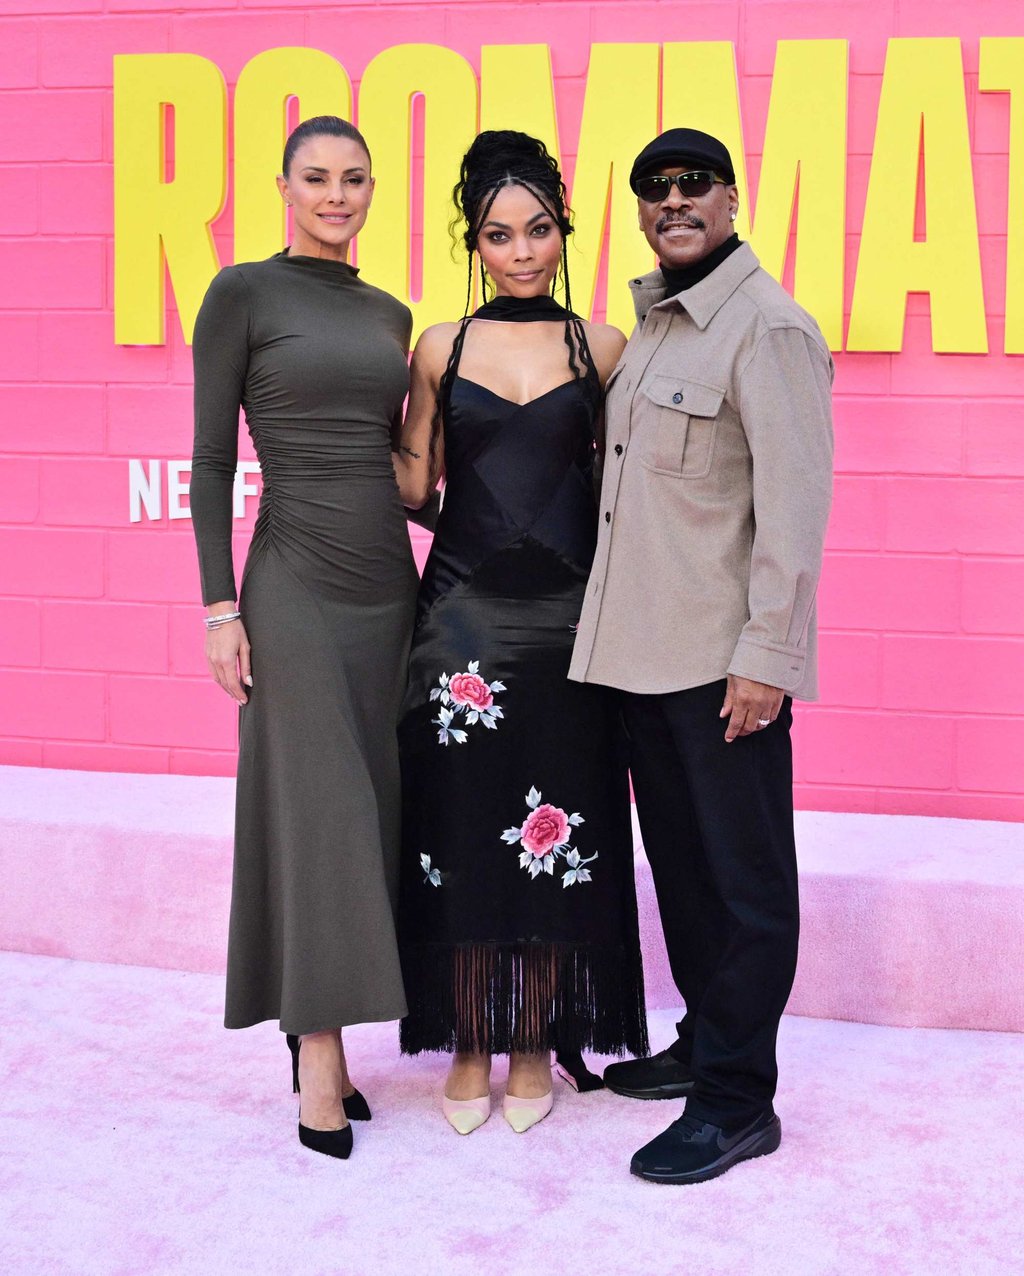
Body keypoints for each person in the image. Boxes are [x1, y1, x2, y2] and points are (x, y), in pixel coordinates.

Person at [569, 128, 834, 1183]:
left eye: (694, 185)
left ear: (730, 197)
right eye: (654, 189)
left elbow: (793, 511)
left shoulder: (767, 328)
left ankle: (737, 1101)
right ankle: (703, 1047)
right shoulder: (655, 331)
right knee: (681, 876)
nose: (673, 201)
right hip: (639, 661)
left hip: (722, 671)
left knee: (744, 885)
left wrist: (766, 655)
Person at [392, 131, 649, 1136]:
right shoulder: (438, 347)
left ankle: (535, 1034)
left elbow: (629, 489)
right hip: (456, 628)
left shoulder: (606, 348)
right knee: (457, 829)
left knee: (561, 831)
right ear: (475, 240)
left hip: (571, 632)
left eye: (538, 229)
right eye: (499, 234)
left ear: (562, 229)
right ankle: (466, 1036)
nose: (522, 250)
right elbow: (416, 487)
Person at [190, 116, 418, 1160]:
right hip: (290, 584)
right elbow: (205, 461)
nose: (337, 193)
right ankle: (319, 1061)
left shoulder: (390, 311)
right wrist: (218, 606)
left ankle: (309, 1025)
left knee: (370, 812)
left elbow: (404, 469)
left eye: (354, 178)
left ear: (374, 189)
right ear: (281, 186)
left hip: (388, 588)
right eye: (317, 177)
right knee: (316, 814)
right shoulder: (242, 291)